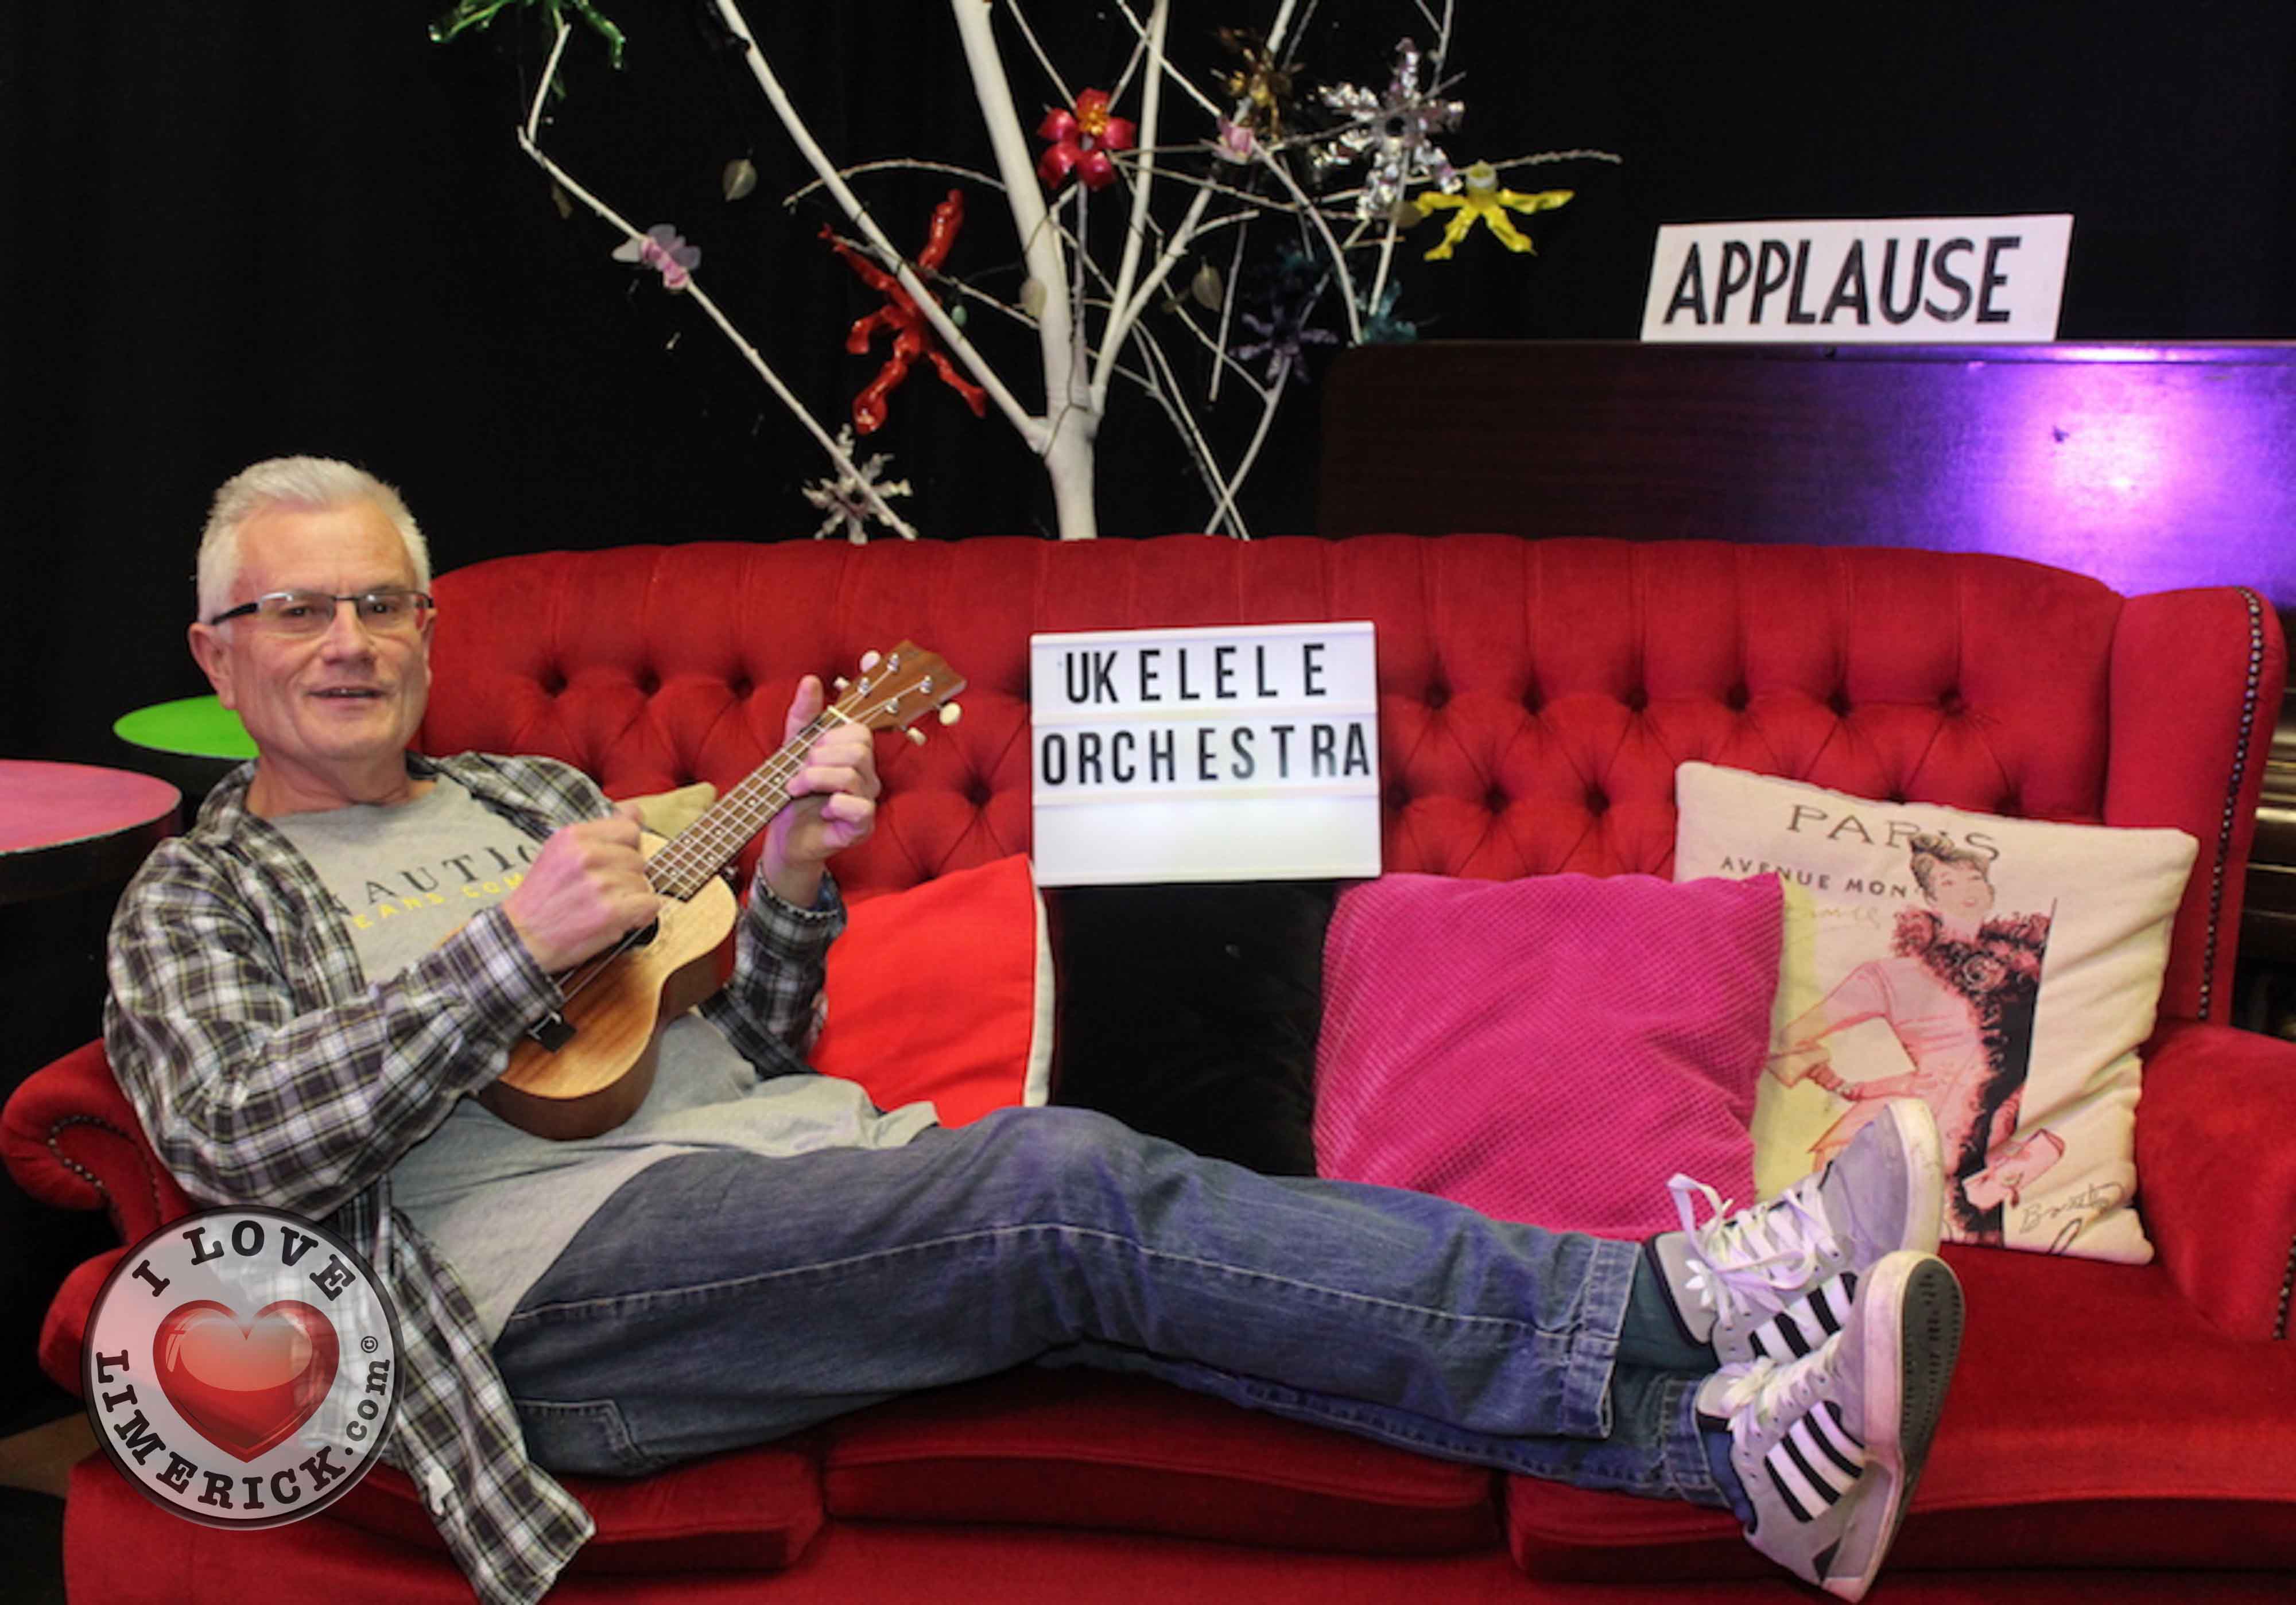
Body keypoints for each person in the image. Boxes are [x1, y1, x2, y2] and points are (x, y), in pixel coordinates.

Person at [106, 456, 1965, 1605]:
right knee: (1069, 1180)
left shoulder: (536, 788)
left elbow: (722, 1034)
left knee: (1101, 1257)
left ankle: (1727, 1456)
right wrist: (499, 952)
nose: (348, 635)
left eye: (382, 598)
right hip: (540, 1300)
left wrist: (807, 874)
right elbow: (240, 1149)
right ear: (215, 648)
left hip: (787, 1184)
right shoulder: (200, 899)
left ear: (424, 624)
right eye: (296, 606)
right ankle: (1672, 1301)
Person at [1769, 833, 2058, 1242]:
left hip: (1983, 1155)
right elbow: (1787, 1038)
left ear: (1990, 889)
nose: (1966, 889)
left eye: (1974, 877)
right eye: (1948, 882)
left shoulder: (2029, 973)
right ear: (1930, 898)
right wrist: (1838, 1080)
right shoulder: (1893, 975)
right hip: (1893, 1146)